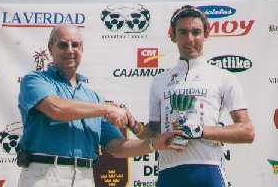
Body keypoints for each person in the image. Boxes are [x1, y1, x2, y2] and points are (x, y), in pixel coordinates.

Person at [17, 24, 183, 187]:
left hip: (85, 177)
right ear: (50, 48)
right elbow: (56, 109)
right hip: (44, 176)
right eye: (62, 44)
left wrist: (155, 144)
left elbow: (116, 147)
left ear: (81, 49)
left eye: (75, 45)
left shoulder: (93, 98)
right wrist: (107, 108)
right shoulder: (35, 80)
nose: (70, 50)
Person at [136, 5, 255, 187]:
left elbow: (247, 131)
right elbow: (152, 133)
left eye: (196, 32)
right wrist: (132, 124)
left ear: (206, 34)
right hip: (168, 173)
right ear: (172, 35)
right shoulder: (159, 81)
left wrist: (200, 130)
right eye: (183, 32)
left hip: (208, 172)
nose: (190, 39)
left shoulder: (223, 77)